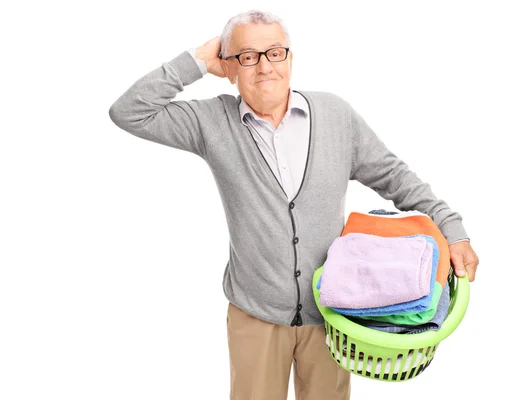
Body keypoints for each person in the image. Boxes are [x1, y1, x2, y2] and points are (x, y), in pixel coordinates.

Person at [108, 9, 479, 400]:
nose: (264, 66)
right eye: (247, 56)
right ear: (229, 67)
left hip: (334, 314)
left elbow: (395, 177)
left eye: (275, 52)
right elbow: (128, 111)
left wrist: (451, 229)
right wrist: (198, 60)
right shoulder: (211, 121)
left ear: (290, 58)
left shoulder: (335, 115)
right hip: (255, 314)